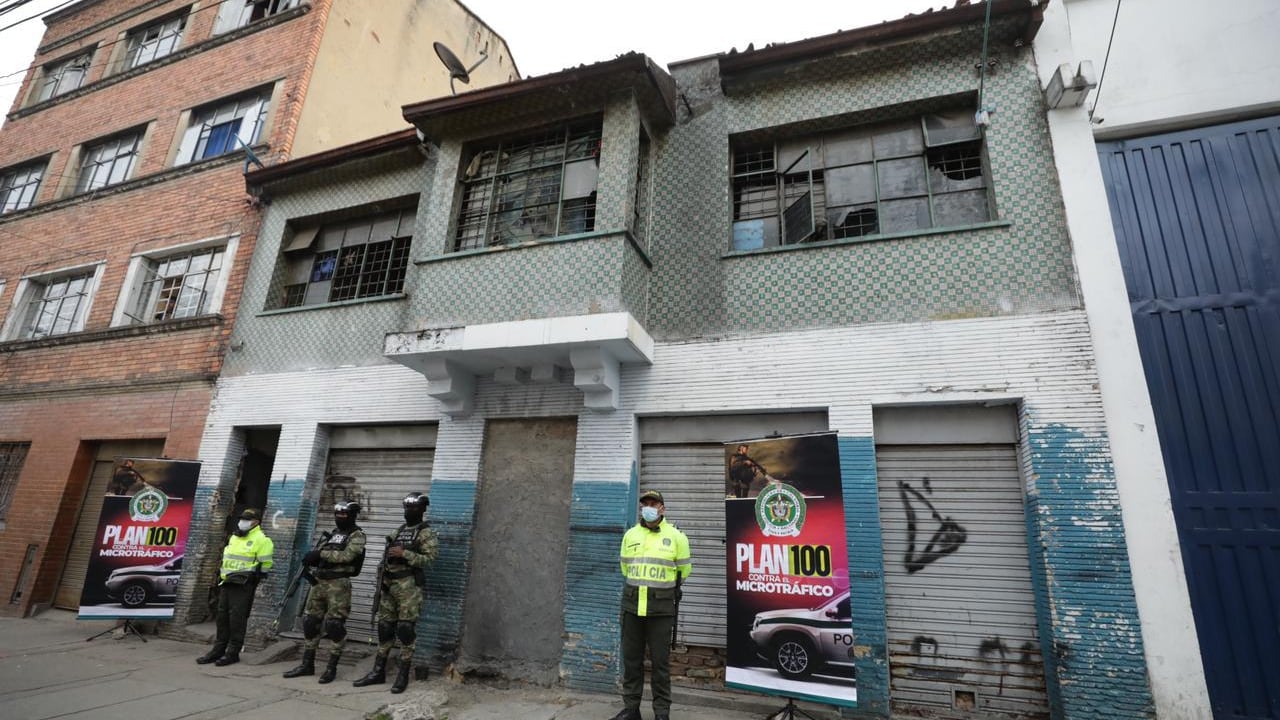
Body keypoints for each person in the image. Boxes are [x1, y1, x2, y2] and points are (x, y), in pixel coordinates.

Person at [611, 490, 692, 720]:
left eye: (653, 503)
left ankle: (662, 713)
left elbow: (684, 571)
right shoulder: (630, 535)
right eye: (644, 503)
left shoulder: (677, 537)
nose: (648, 507)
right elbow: (626, 569)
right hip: (632, 606)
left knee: (660, 665)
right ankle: (631, 709)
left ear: (662, 508)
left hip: (661, 610)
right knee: (631, 661)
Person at [352, 492, 438, 693]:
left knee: (406, 630)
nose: (409, 511)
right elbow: (386, 556)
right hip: (389, 585)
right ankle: (378, 672)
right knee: (385, 628)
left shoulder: (426, 533)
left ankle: (402, 676)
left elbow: (430, 559)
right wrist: (381, 575)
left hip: (408, 586)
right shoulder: (398, 531)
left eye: (414, 508)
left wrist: (404, 553)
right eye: (407, 507)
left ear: (422, 509)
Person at [283, 500, 367, 683]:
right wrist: (313, 559)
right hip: (319, 582)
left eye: (344, 515)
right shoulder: (334, 534)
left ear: (352, 516)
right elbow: (326, 554)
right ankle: (307, 664)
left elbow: (348, 556)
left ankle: (331, 668)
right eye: (337, 514)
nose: (340, 518)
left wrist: (321, 554)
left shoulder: (357, 535)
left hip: (338, 584)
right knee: (310, 622)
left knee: (335, 626)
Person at [197, 508, 275, 666]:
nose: (243, 521)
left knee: (237, 619)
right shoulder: (235, 536)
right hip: (226, 582)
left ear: (256, 522)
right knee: (222, 617)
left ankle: (233, 653)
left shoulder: (262, 540)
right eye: (243, 518)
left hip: (244, 584)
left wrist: (254, 579)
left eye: (248, 519)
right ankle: (218, 650)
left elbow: (265, 565)